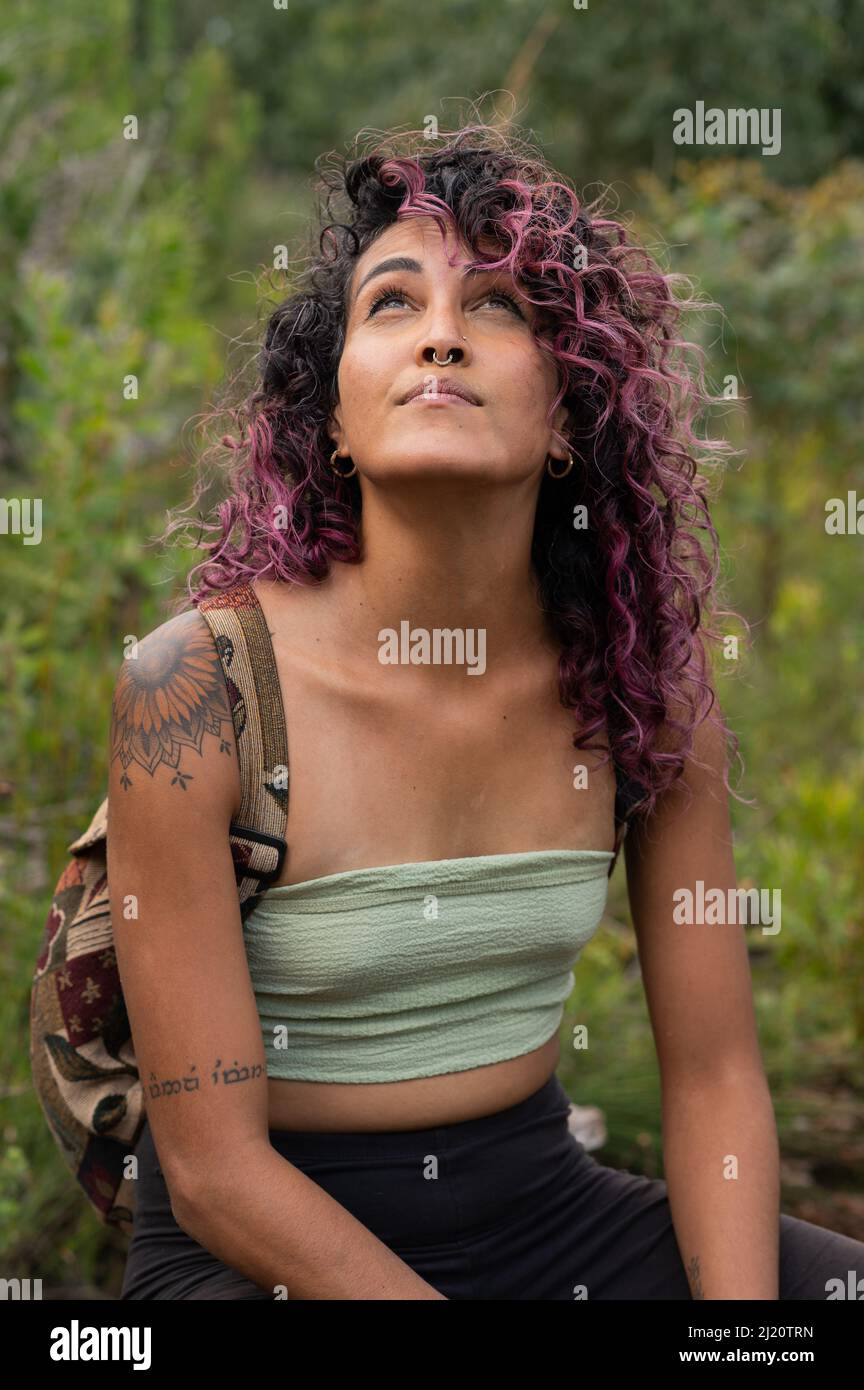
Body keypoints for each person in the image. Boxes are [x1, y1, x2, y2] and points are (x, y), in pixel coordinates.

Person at [110, 123, 864, 1300]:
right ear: (334, 419)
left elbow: (715, 1077)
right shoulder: (198, 688)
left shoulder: (643, 692)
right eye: (392, 302)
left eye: (499, 305)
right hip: (260, 1250)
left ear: (567, 416)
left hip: (545, 1220)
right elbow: (213, 1174)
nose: (442, 334)